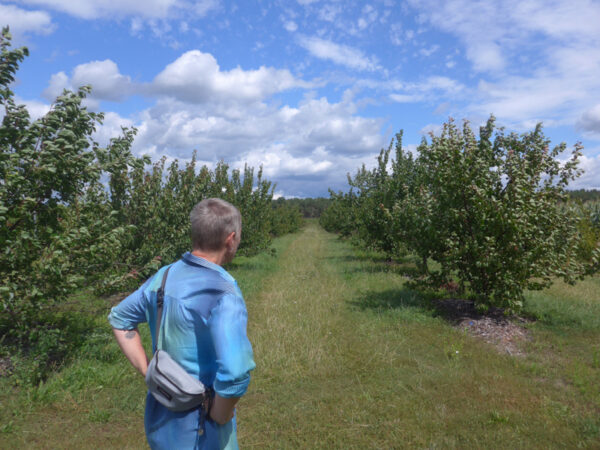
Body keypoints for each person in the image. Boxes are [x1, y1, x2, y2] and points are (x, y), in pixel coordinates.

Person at [108, 198, 256, 449]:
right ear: (230, 239)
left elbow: (121, 319)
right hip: (201, 426)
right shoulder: (223, 291)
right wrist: (219, 415)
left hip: (162, 410)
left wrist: (149, 371)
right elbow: (234, 372)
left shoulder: (164, 276)